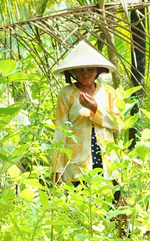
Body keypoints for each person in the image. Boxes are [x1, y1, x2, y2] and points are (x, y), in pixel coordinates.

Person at [52, 41, 122, 203]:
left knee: (112, 209)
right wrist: (57, 168)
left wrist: (95, 108)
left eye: (90, 68)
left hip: (107, 163)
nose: (85, 73)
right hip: (77, 165)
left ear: (97, 70)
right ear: (73, 72)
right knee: (81, 212)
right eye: (80, 69)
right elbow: (60, 131)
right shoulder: (66, 93)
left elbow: (118, 124)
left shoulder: (107, 92)